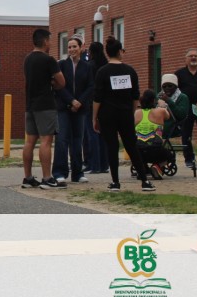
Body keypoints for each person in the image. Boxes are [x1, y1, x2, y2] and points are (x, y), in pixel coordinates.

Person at [92, 36, 155, 192]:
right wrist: (132, 112)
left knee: (112, 147)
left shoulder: (102, 72)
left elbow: (97, 97)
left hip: (107, 114)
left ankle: (115, 182)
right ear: (120, 51)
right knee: (131, 146)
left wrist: (94, 117)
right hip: (125, 113)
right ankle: (144, 180)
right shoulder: (129, 71)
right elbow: (135, 96)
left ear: (107, 53)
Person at [22, 29, 66, 189]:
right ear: (45, 41)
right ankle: (47, 178)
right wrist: (52, 83)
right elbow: (62, 82)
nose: (51, 43)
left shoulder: (27, 59)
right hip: (46, 105)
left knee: (29, 142)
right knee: (46, 141)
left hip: (30, 105)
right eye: (50, 40)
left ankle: (28, 177)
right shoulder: (49, 60)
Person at [53, 36, 94, 184]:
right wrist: (71, 101)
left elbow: (91, 86)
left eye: (74, 46)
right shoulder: (62, 65)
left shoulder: (87, 66)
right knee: (62, 139)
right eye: (69, 47)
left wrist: (80, 102)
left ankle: (77, 173)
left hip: (80, 109)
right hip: (63, 108)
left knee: (77, 140)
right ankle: (59, 172)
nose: (72, 49)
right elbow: (58, 86)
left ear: (81, 48)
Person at [134, 89, 174, 180]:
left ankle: (143, 169)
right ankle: (157, 166)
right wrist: (162, 105)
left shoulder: (136, 113)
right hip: (155, 149)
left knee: (138, 151)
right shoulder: (161, 111)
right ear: (153, 100)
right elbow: (168, 116)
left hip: (139, 150)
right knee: (170, 157)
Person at [83, 41, 109, 174]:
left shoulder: (89, 66)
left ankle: (94, 165)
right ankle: (104, 164)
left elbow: (87, 84)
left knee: (91, 133)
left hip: (91, 102)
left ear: (91, 52)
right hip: (105, 103)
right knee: (102, 134)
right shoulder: (106, 65)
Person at [158, 73, 191, 141]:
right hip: (157, 124)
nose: (167, 88)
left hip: (173, 127)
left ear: (176, 86)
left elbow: (182, 115)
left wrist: (168, 101)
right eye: (164, 86)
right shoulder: (159, 96)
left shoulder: (182, 97)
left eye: (170, 86)